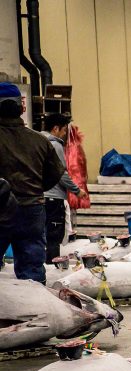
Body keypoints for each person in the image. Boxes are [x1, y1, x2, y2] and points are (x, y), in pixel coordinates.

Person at [0, 82, 63, 283]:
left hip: (1, 208)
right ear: (22, 107)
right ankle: (36, 311)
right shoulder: (40, 141)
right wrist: (33, 189)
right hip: (32, 208)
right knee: (32, 270)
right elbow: (54, 174)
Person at [39, 113, 82, 262]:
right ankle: (53, 268)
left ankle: (44, 266)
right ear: (56, 128)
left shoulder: (37, 141)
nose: (65, 135)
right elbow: (61, 173)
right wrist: (77, 190)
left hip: (40, 197)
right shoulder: (55, 144)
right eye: (64, 131)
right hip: (54, 198)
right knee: (54, 236)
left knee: (42, 235)